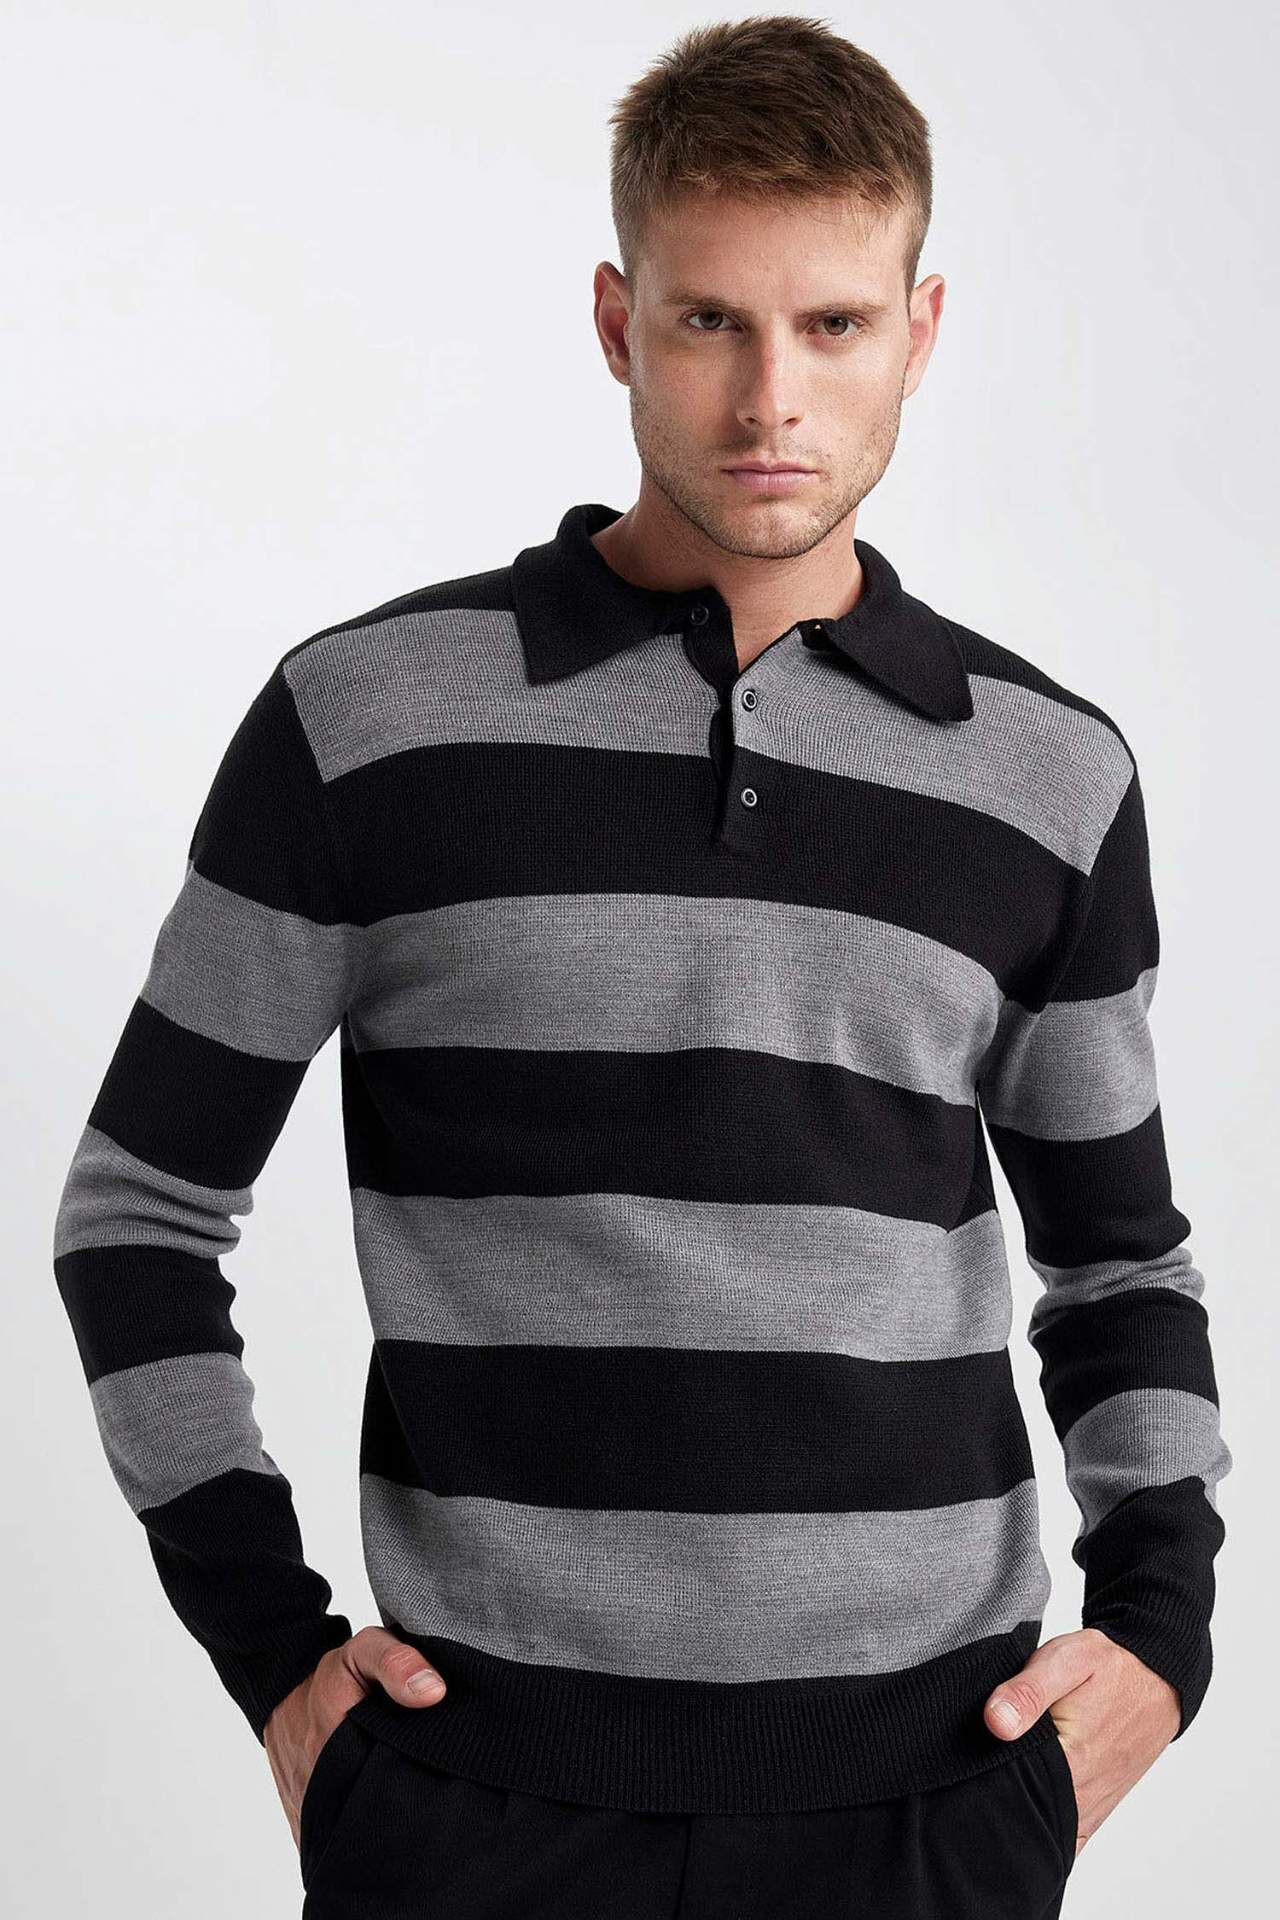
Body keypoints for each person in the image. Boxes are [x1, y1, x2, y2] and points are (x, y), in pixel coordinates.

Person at [52, 15, 1231, 1917]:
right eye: (709, 323)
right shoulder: (366, 724)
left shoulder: (1048, 776)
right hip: (474, 1808)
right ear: (617, 321)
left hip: (931, 1806)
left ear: (921, 332)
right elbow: (138, 1215)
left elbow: (1119, 1264)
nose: (772, 397)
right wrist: (273, 1655)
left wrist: (1164, 1641)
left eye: (834, 325)